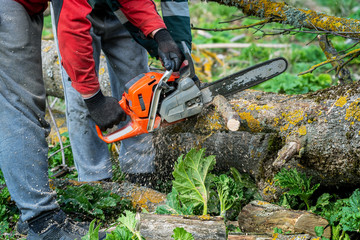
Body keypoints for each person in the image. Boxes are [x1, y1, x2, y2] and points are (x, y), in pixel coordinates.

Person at [0, 0, 183, 239]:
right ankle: (42, 223)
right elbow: (72, 29)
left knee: (22, 102)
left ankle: (32, 216)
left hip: (27, 6)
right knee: (20, 105)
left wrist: (160, 34)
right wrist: (94, 99)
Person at [51, 0, 192, 184]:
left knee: (138, 83)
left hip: (122, 7)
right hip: (73, 12)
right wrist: (93, 99)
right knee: (80, 97)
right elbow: (72, 32)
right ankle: (94, 180)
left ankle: (141, 171)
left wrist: (167, 39)